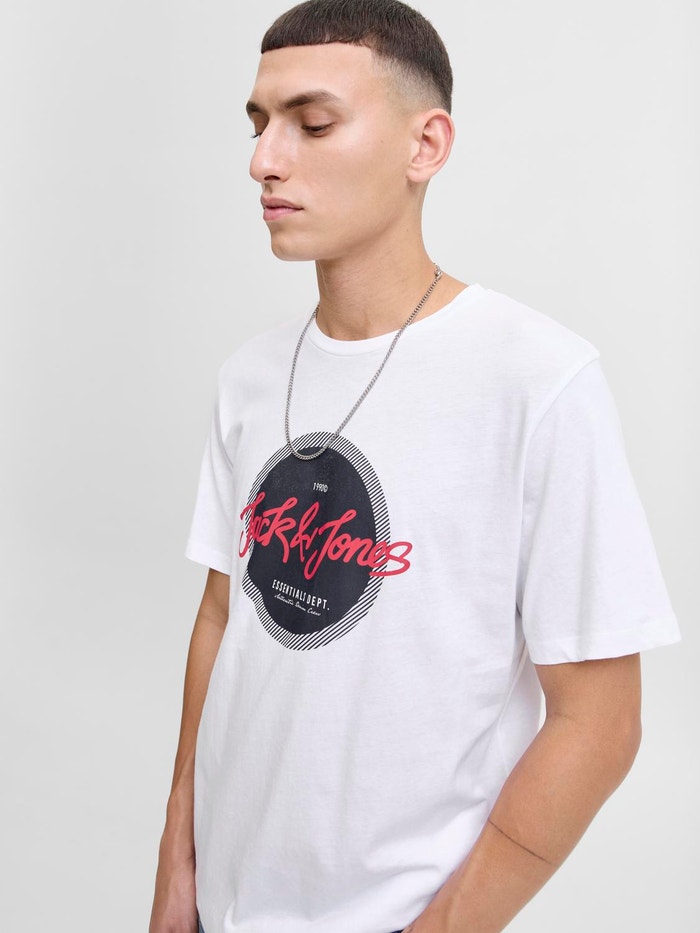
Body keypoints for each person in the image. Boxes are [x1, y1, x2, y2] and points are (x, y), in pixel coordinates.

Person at [149, 1, 681, 931]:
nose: (264, 160)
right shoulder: (249, 377)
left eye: (313, 124)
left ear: (424, 145)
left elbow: (600, 722)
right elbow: (223, 615)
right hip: (227, 906)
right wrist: (177, 857)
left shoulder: (537, 380)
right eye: (259, 123)